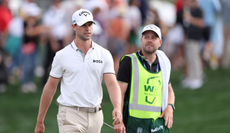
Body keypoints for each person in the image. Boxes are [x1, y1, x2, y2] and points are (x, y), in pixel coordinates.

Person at [34, 9, 123, 133]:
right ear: (74, 27)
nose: (87, 28)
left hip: (96, 116)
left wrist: (117, 108)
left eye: (90, 25)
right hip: (70, 114)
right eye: (83, 25)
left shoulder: (104, 54)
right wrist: (40, 120)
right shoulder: (62, 55)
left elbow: (112, 84)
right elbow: (50, 87)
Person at [115, 24, 175, 133]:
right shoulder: (129, 62)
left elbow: (169, 90)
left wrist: (170, 107)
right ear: (141, 40)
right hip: (134, 123)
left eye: (154, 38)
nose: (149, 40)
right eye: (146, 37)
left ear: (160, 42)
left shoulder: (164, 63)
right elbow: (119, 93)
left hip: (159, 123)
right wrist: (119, 120)